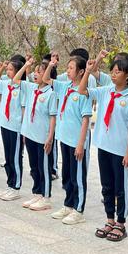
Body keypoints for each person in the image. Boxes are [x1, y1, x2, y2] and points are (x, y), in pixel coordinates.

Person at [79, 54, 128, 241]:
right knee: (106, 186)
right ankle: (109, 219)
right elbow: (82, 90)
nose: (113, 75)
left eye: (118, 71)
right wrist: (88, 71)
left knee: (120, 188)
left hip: (120, 150)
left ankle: (121, 223)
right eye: (112, 71)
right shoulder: (106, 90)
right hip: (103, 146)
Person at [43, 54, 92, 225]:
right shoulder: (65, 87)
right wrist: (51, 64)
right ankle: (68, 204)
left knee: (78, 177)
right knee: (67, 175)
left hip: (76, 142)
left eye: (71, 68)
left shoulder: (84, 93)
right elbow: (45, 78)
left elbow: (86, 120)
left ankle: (79, 210)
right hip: (64, 139)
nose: (68, 71)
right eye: (68, 67)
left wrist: (81, 144)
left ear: (81, 72)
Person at [14, 57, 57, 211]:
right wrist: (26, 65)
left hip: (42, 137)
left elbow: (53, 117)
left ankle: (46, 197)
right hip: (30, 134)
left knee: (43, 166)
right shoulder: (32, 88)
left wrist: (50, 137)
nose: (36, 74)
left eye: (40, 71)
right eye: (36, 71)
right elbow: (15, 79)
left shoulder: (51, 94)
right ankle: (37, 192)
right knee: (33, 167)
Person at [0, 59, 25, 201]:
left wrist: (24, 128)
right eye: (7, 69)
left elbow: (23, 109)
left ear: (17, 72)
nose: (8, 72)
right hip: (5, 124)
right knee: (8, 157)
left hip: (16, 126)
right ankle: (10, 185)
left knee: (16, 157)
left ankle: (16, 187)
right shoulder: (5, 84)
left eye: (10, 69)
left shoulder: (22, 87)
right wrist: (0, 68)